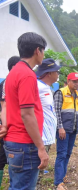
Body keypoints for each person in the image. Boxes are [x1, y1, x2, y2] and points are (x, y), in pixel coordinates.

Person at [1, 32, 49, 190]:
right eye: (43, 51)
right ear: (37, 50)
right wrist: (41, 148)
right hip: (24, 143)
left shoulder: (13, 73)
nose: (43, 55)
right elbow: (27, 114)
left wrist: (6, 125)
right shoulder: (27, 75)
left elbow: (7, 105)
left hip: (14, 141)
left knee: (16, 186)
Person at [54, 72, 78, 189]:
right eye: (74, 81)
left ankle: (62, 176)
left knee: (67, 154)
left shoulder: (77, 94)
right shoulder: (60, 93)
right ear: (69, 81)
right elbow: (56, 112)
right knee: (61, 154)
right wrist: (60, 127)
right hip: (63, 130)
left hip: (73, 130)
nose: (77, 84)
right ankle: (58, 182)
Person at [35, 58, 61, 178]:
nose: (58, 74)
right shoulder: (37, 86)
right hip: (40, 137)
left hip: (47, 135)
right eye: (57, 71)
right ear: (49, 73)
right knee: (35, 170)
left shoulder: (46, 88)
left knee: (40, 169)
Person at [0, 56, 20, 187]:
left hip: (8, 126)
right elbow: (4, 106)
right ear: (13, 67)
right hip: (5, 127)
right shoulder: (8, 83)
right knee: (4, 158)